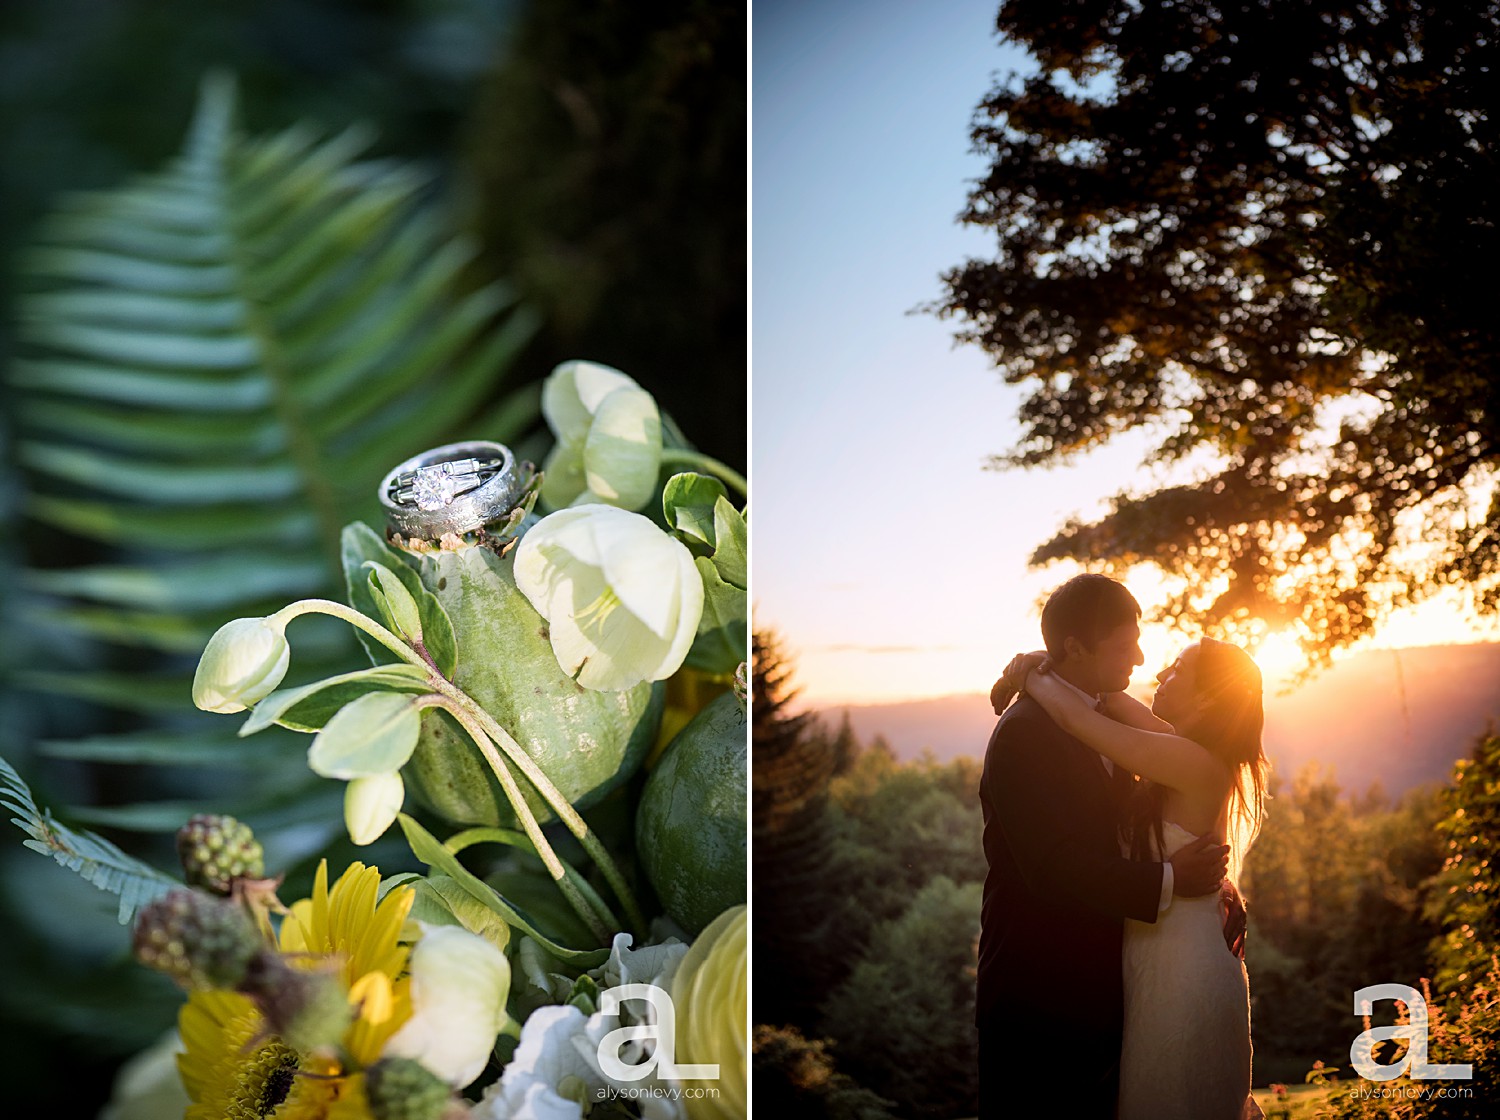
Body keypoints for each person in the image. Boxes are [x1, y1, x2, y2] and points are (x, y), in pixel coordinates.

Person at [976, 574, 1234, 1120]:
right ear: (1075, 648)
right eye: (1125, 645)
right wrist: (1169, 879)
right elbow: (1050, 867)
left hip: (1114, 985)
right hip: (1041, 993)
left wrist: (1034, 664)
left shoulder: (1104, 716)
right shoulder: (1026, 732)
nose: (1141, 660)